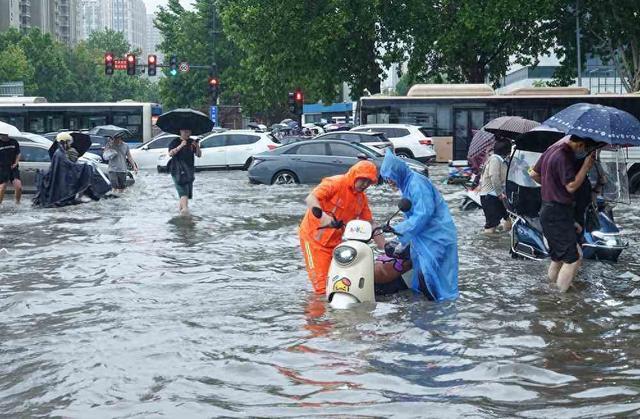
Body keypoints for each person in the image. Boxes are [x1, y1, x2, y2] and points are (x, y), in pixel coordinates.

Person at [380, 150, 458, 301]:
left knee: (432, 279)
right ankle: (427, 313)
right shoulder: (407, 185)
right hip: (423, 238)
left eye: (391, 178)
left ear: (398, 172)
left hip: (436, 237)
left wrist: (398, 229)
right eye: (386, 179)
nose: (389, 182)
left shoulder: (417, 184)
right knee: (425, 278)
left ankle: (444, 312)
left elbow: (423, 214)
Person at [299, 160, 384, 295]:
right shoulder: (335, 183)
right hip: (313, 239)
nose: (365, 185)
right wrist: (324, 218)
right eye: (363, 180)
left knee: (338, 281)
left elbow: (370, 223)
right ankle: (317, 315)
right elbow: (311, 198)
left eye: (369, 182)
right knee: (321, 287)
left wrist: (384, 247)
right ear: (355, 175)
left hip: (336, 244)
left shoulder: (361, 199)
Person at [530, 135, 599, 292]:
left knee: (558, 258)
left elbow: (533, 174)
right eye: (586, 149)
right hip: (556, 212)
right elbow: (571, 186)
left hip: (551, 210)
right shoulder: (564, 156)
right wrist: (586, 166)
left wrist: (551, 186)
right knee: (573, 259)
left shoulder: (551, 150)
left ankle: (551, 290)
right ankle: (560, 300)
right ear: (580, 145)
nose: (585, 152)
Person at [479, 138, 512, 233]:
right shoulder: (495, 159)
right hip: (490, 196)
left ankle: (502, 239)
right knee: (492, 224)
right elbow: (494, 177)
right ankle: (490, 244)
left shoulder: (502, 160)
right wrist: (499, 194)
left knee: (508, 218)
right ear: (507, 150)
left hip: (498, 196)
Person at [167, 129, 201, 214]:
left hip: (189, 171)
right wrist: (181, 145)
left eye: (188, 131)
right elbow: (170, 153)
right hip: (177, 171)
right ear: (180, 132)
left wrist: (197, 146)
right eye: (185, 131)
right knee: (183, 193)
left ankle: (181, 215)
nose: (187, 133)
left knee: (185, 195)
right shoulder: (175, 142)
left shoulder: (191, 142)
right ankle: (185, 216)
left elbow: (199, 155)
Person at [0, 131, 22, 205]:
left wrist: (16, 163)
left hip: (13, 167)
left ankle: (17, 203)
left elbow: (18, 153)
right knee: (2, 188)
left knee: (18, 186)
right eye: (3, 134)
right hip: (2, 168)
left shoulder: (14, 142)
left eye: (6, 134)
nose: (4, 136)